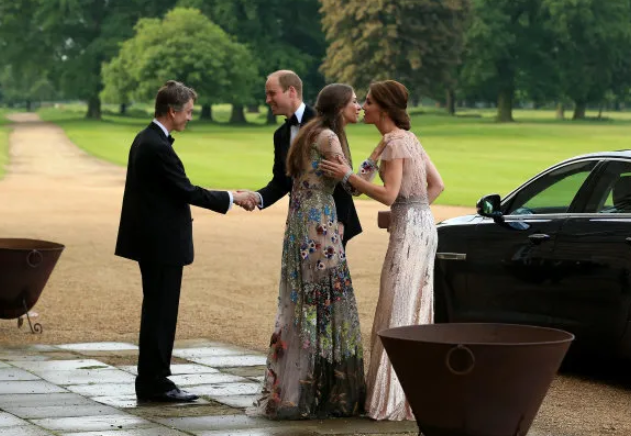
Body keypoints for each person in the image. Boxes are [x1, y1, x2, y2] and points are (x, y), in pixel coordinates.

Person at [115, 80, 249, 403]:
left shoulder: (146, 139)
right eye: (188, 111)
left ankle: (152, 379)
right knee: (161, 314)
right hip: (160, 245)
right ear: (173, 111)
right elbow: (186, 190)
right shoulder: (156, 146)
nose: (190, 117)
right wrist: (233, 197)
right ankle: (155, 383)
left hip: (154, 243)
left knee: (157, 311)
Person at [320, 80, 445, 421]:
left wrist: (349, 175)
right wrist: (406, 210)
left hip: (408, 235)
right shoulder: (404, 140)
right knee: (412, 305)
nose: (363, 107)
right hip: (422, 226)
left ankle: (391, 402)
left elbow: (388, 193)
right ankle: (409, 396)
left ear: (385, 109)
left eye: (370, 102)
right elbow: (437, 185)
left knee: (398, 308)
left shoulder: (395, 144)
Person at [253, 83, 366, 419]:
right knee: (327, 303)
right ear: (341, 106)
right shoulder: (329, 137)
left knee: (305, 303)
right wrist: (375, 159)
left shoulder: (309, 132)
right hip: (319, 229)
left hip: (300, 226)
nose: (358, 107)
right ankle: (326, 392)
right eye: (355, 102)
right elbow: (353, 186)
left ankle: (298, 389)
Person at [239, 70, 361, 247]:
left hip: (331, 220)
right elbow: (282, 181)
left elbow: (340, 173)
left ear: (291, 91)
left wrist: (340, 220)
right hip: (300, 219)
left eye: (272, 93)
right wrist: (257, 197)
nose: (267, 100)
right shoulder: (280, 135)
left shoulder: (324, 124)